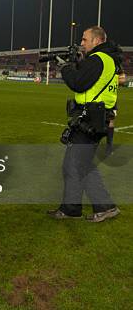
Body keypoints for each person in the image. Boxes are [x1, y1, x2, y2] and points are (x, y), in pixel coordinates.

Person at [48, 26, 121, 222]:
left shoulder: (99, 59)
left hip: (91, 117)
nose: (81, 43)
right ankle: (72, 208)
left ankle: (105, 206)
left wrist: (65, 68)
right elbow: (90, 80)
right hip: (96, 116)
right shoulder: (107, 59)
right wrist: (77, 63)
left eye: (84, 39)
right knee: (75, 163)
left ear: (96, 41)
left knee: (79, 164)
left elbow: (78, 83)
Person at [105, 71, 126, 155]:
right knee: (109, 122)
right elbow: (122, 81)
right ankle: (108, 148)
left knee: (110, 122)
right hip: (110, 101)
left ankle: (108, 148)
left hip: (110, 101)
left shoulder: (109, 74)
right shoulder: (115, 74)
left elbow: (122, 81)